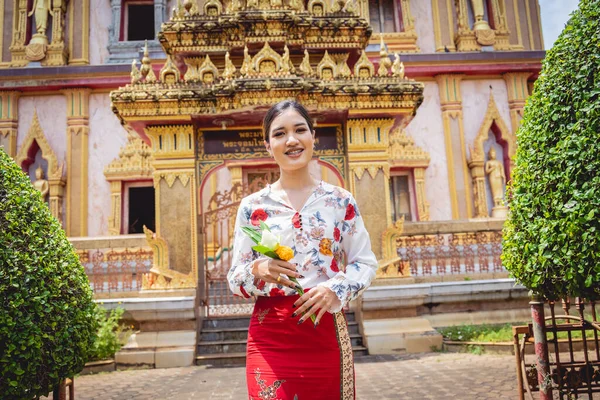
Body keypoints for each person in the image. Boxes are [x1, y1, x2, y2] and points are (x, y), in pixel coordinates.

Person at [228, 100, 378, 399]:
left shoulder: (339, 201)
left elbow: (365, 262)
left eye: (299, 130)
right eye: (280, 133)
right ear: (269, 146)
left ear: (313, 136)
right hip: (270, 333)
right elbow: (235, 278)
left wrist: (335, 289)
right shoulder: (253, 207)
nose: (292, 140)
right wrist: (258, 270)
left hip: (324, 327)